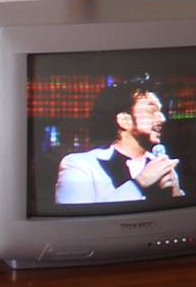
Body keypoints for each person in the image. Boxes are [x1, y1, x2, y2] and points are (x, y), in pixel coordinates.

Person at [55, 80, 185, 204]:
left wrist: (176, 194)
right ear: (124, 120)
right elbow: (78, 217)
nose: (162, 119)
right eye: (151, 111)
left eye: (161, 112)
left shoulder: (163, 166)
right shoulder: (81, 165)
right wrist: (140, 183)